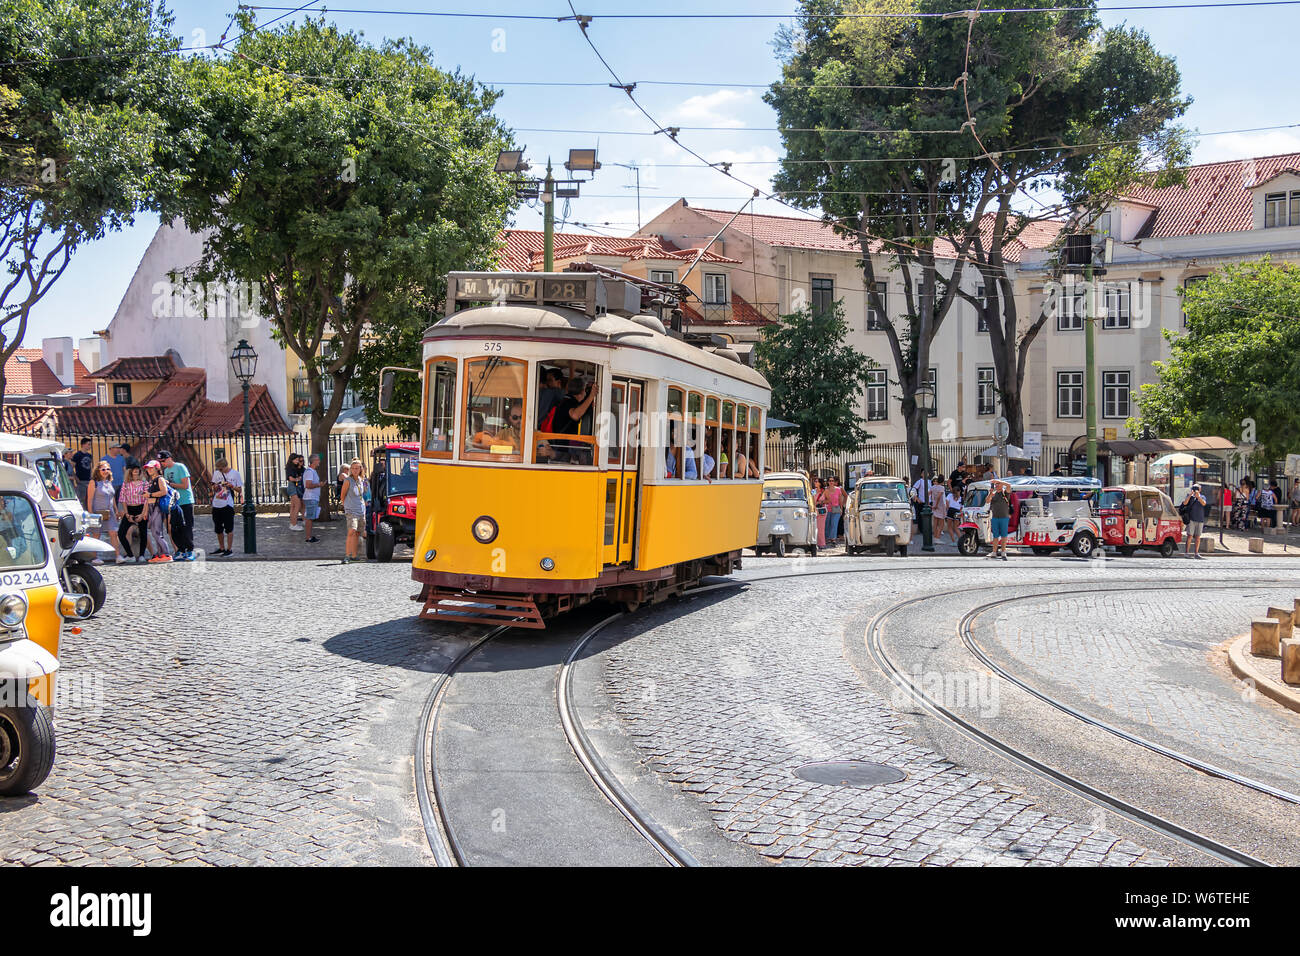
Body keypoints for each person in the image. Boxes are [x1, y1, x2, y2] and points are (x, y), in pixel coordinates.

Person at [159, 450, 196, 561]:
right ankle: (181, 550)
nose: (162, 463)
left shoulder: (180, 467)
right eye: (160, 461)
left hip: (185, 500)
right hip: (174, 503)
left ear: (170, 458)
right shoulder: (166, 471)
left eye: (164, 460)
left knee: (187, 527)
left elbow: (185, 485)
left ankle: (190, 550)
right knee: (175, 527)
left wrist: (169, 484)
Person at [86, 461, 121, 563]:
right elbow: (90, 499)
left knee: (114, 533)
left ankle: (118, 556)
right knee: (96, 534)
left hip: (109, 512)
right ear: (98, 471)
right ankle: (94, 557)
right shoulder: (94, 482)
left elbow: (112, 497)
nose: (106, 471)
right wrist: (91, 513)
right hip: (97, 512)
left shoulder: (109, 482)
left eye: (108, 469)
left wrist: (116, 510)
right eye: (103, 469)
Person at [117, 464, 150, 563]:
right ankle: (130, 555)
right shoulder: (126, 484)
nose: (135, 471)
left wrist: (143, 513)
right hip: (130, 509)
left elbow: (147, 499)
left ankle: (141, 555)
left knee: (143, 532)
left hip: (141, 508)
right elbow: (123, 499)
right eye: (133, 469)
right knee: (121, 533)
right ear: (130, 471)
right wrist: (127, 514)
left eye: (137, 469)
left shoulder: (145, 483)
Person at [210, 457, 242, 556]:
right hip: (217, 503)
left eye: (221, 469)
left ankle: (229, 549)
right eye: (218, 469)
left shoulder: (235, 474)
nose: (219, 471)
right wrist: (215, 486)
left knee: (229, 528)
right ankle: (221, 548)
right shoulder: (216, 473)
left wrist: (231, 486)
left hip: (228, 504)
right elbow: (213, 487)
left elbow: (239, 490)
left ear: (225, 466)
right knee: (218, 528)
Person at [339, 457, 369, 565]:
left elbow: (362, 495)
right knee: (351, 531)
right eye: (353, 468)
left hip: (361, 510)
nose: (355, 470)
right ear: (351, 469)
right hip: (351, 510)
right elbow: (342, 495)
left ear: (360, 469)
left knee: (357, 533)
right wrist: (346, 506)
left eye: (357, 468)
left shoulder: (361, 480)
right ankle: (347, 555)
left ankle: (355, 556)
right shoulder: (348, 481)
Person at [143, 460, 173, 562]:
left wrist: (150, 495)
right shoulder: (153, 480)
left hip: (157, 507)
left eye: (151, 468)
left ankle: (166, 554)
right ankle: (160, 554)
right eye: (148, 468)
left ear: (157, 468)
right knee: (155, 531)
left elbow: (164, 492)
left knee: (156, 532)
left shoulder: (160, 479)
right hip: (152, 507)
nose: (149, 470)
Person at [988, 480, 1012, 560]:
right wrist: (990, 493)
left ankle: (1003, 552)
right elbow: (987, 501)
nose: (997, 485)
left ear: (1001, 485)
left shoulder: (1005, 493)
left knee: (1004, 535)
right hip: (995, 517)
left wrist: (998, 481)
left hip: (1004, 517)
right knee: (995, 536)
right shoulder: (993, 494)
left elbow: (1009, 485)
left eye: (998, 484)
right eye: (996, 484)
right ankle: (994, 552)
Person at [1183, 483, 1208, 557]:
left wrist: (1198, 497)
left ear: (1200, 490)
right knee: (1189, 536)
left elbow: (1204, 504)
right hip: (1191, 519)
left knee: (1197, 536)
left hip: (1200, 519)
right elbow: (1185, 503)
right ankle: (1187, 552)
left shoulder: (1202, 497)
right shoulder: (1190, 496)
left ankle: (1196, 553)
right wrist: (1191, 495)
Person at [302, 453, 322, 543]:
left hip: (313, 497)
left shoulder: (312, 471)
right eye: (318, 460)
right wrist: (319, 484)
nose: (319, 461)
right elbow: (308, 485)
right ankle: (308, 537)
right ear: (313, 461)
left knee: (310, 517)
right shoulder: (310, 471)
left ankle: (309, 536)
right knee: (309, 518)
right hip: (311, 497)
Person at [71, 438, 94, 505]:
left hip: (88, 480)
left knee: (89, 499)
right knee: (81, 499)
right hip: (81, 480)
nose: (90, 446)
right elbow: (71, 468)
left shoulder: (89, 455)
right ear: (83, 445)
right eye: (88, 444)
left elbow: (90, 467)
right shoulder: (77, 455)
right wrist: (76, 477)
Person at [285, 453, 305, 531]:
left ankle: (292, 523)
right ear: (292, 460)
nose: (297, 461)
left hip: (293, 487)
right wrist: (297, 479)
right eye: (296, 460)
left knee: (293, 506)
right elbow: (290, 478)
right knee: (297, 505)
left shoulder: (294, 467)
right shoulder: (290, 468)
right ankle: (294, 524)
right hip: (293, 487)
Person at [825, 476, 845, 544]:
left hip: (836, 508)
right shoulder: (825, 490)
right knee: (827, 524)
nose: (831, 482)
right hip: (828, 509)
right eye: (830, 481)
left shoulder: (838, 489)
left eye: (832, 481)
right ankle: (827, 538)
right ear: (828, 482)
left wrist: (841, 508)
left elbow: (840, 499)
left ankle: (833, 538)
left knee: (834, 523)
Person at [928, 477, 947, 542]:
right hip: (940, 506)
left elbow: (928, 494)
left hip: (934, 505)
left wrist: (928, 503)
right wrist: (936, 505)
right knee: (941, 524)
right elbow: (939, 496)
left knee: (935, 523)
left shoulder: (933, 487)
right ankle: (938, 538)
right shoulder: (942, 488)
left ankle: (935, 537)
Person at [813, 477, 827, 549]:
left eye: (816, 481)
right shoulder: (813, 491)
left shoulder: (824, 491)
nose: (815, 482)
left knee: (821, 528)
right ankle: (815, 543)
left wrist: (820, 502)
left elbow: (828, 500)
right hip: (815, 510)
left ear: (820, 483)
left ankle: (822, 543)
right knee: (814, 527)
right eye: (814, 481)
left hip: (821, 511)